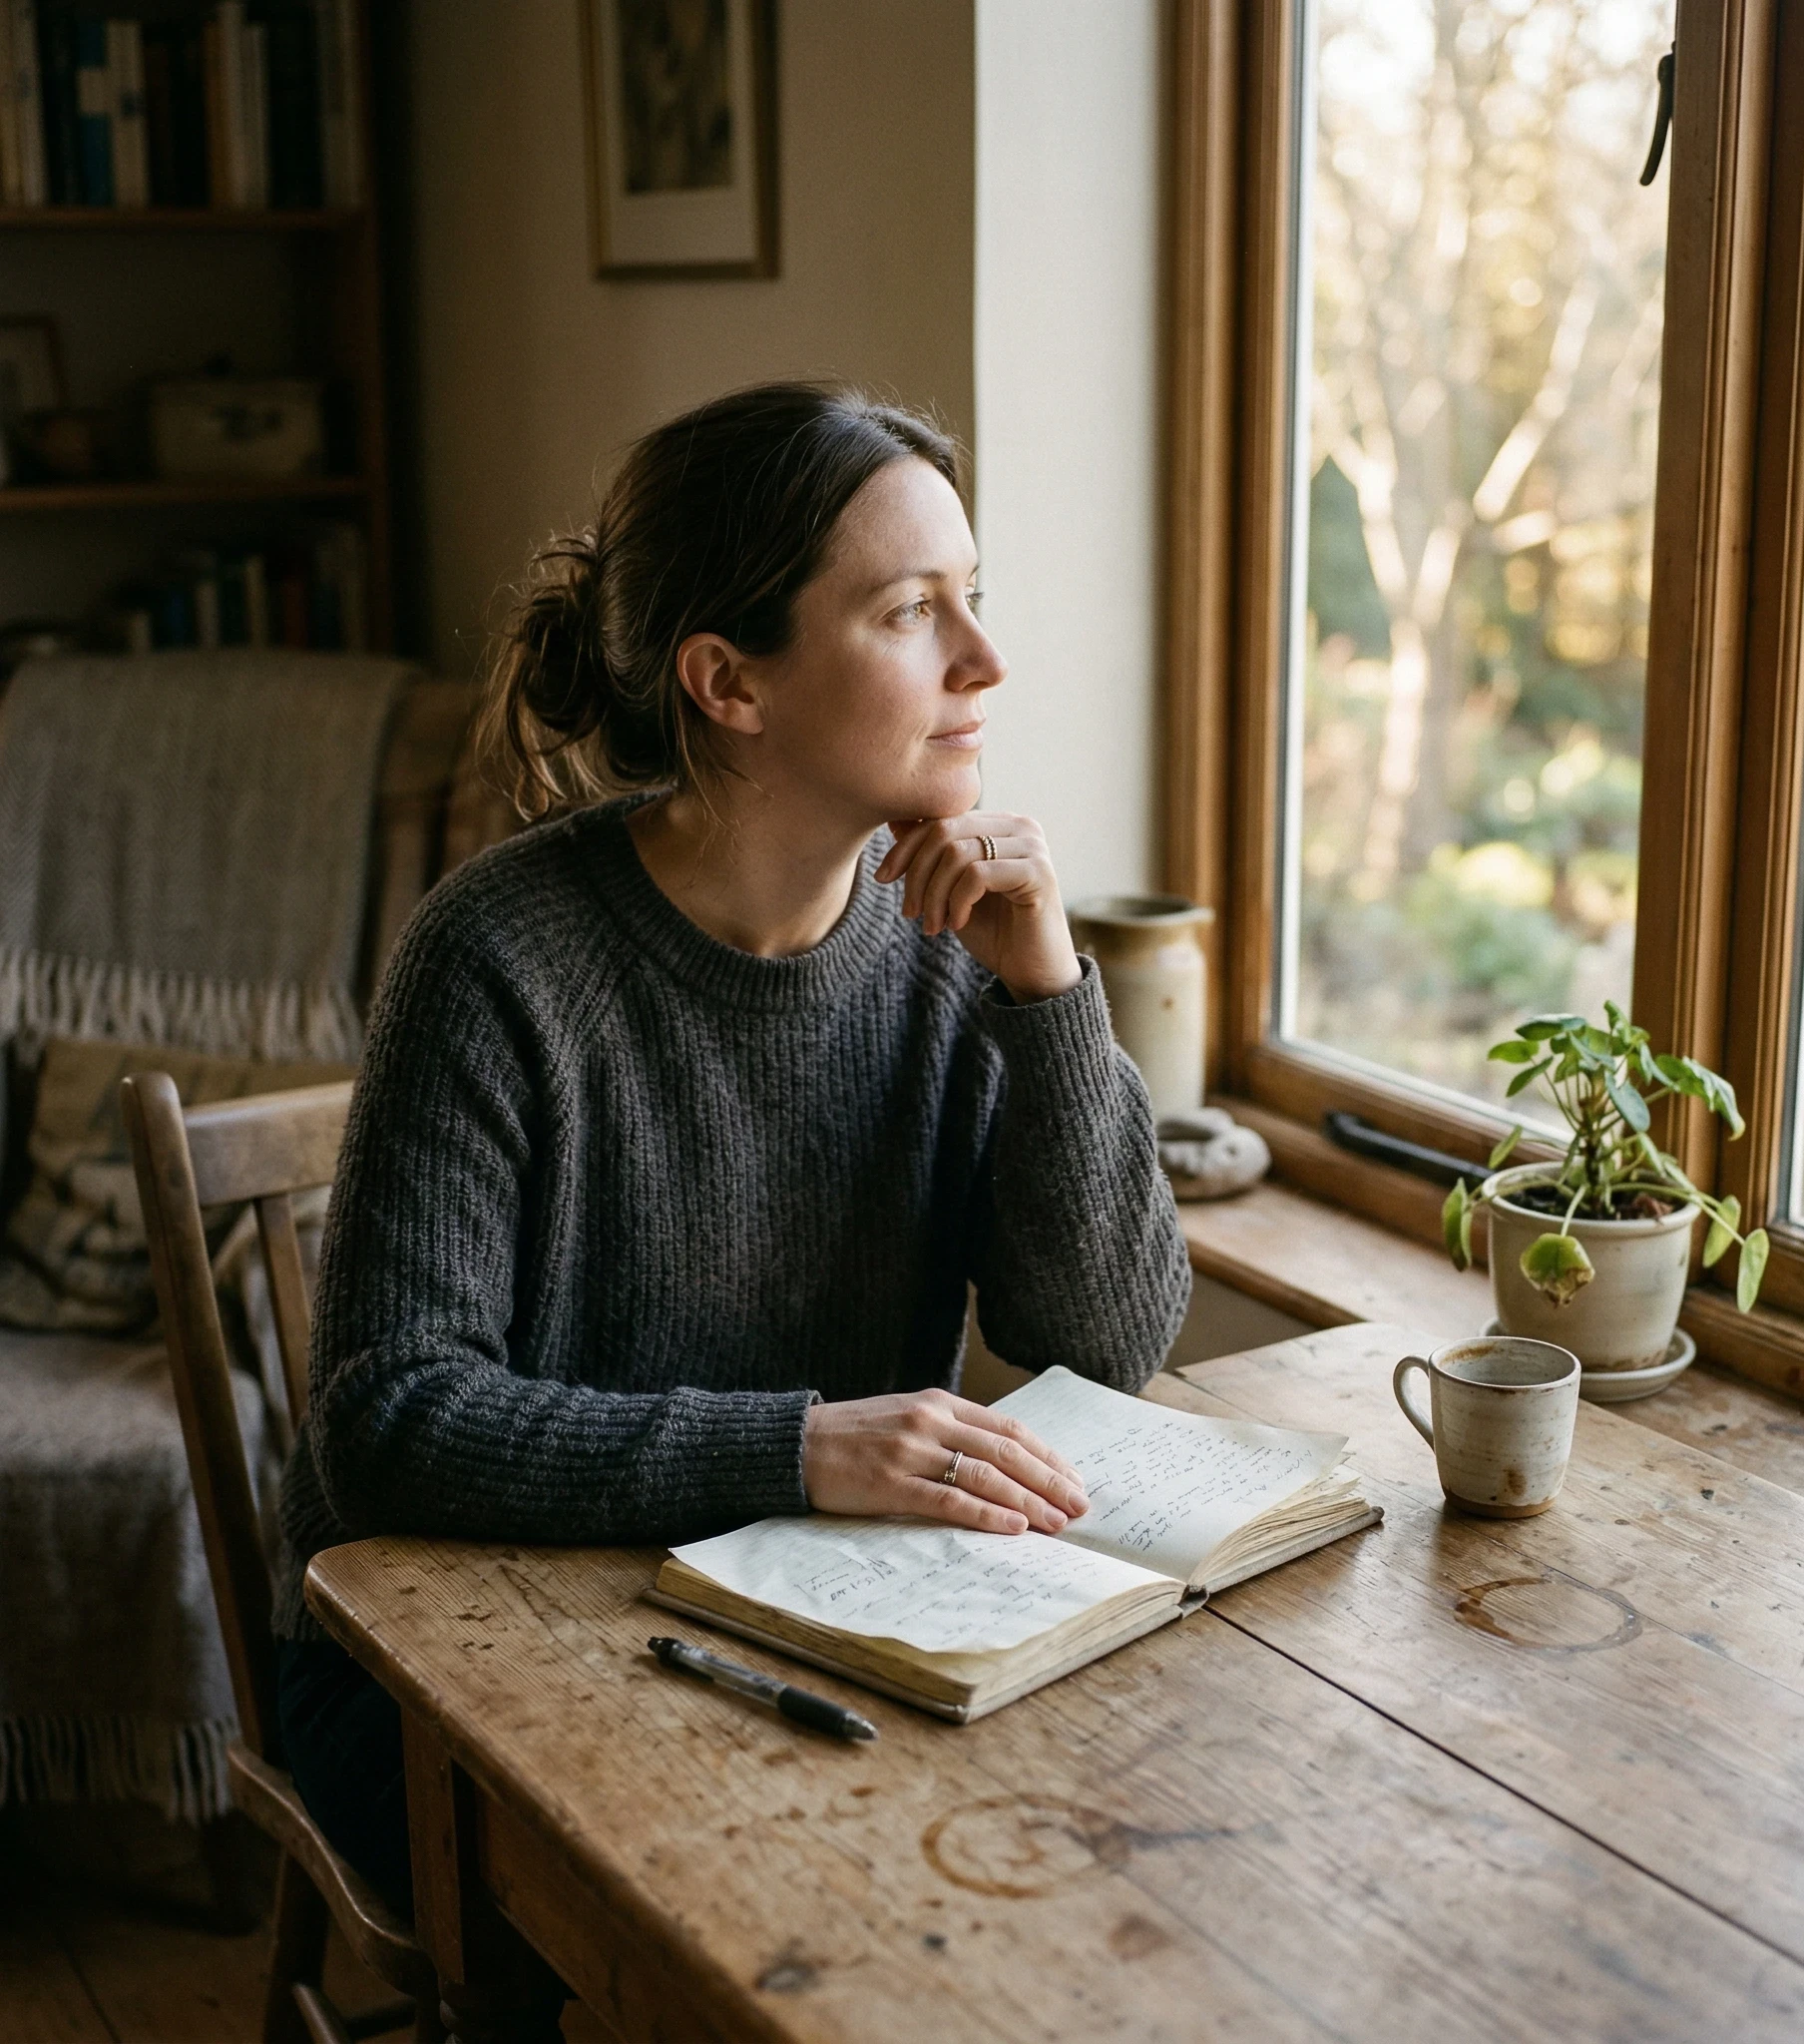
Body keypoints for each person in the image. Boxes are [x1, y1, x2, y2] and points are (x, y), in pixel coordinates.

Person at [271, 382, 1192, 1916]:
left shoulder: (958, 949)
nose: (985, 661)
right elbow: (387, 1421)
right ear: (729, 684)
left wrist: (1049, 991)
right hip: (445, 1677)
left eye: (976, 598)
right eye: (913, 611)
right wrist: (798, 1446)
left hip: (814, 1621)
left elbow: (1102, 1340)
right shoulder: (498, 957)